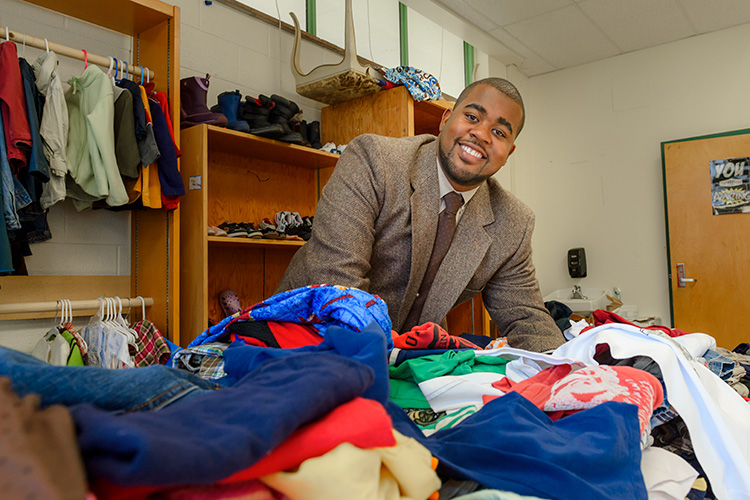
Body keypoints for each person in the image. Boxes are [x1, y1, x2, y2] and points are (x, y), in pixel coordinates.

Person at [276, 77, 564, 352]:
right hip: (302, 336)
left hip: (401, 357)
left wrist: (570, 375)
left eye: (499, 132)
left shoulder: (513, 222)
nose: (480, 135)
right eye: (473, 118)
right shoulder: (374, 160)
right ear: (445, 119)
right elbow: (337, 279)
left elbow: (527, 318)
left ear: (509, 153)